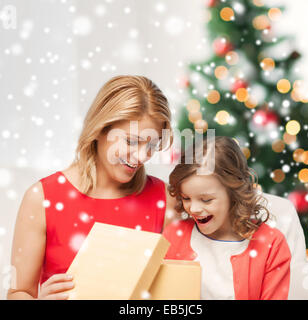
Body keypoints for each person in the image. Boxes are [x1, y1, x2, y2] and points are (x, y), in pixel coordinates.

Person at [7, 75, 179, 300]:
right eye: (130, 141)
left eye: (152, 145)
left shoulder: (165, 199)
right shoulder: (41, 198)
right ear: (99, 129)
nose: (141, 156)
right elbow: (18, 292)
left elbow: (179, 290)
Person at [162, 136, 291, 300]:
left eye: (206, 199)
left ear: (233, 193)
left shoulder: (271, 244)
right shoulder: (173, 235)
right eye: (186, 198)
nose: (193, 209)